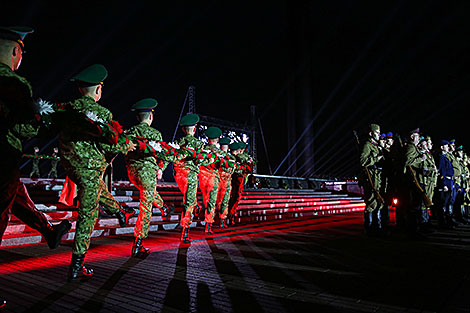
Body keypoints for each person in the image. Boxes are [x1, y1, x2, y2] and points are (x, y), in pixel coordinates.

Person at [0, 26, 72, 307]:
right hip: (3, 156)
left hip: (7, 167)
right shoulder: (13, 83)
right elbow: (25, 127)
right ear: (16, 52)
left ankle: (50, 230)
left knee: (18, 195)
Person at [56, 64, 136, 280]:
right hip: (91, 168)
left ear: (80, 89)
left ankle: (119, 211)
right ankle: (76, 267)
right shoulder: (101, 114)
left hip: (71, 167)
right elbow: (110, 142)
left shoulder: (66, 109)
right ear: (98, 90)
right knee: (87, 216)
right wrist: (123, 146)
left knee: (96, 189)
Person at [125, 98, 174, 257]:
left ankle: (164, 207)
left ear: (138, 117)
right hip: (147, 173)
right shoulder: (155, 134)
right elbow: (165, 154)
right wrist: (160, 168)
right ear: (151, 117)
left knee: (148, 192)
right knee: (145, 207)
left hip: (132, 173)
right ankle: (138, 244)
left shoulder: (130, 131)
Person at [173, 114, 205, 243]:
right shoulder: (198, 144)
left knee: (189, 198)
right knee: (189, 201)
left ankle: (196, 206)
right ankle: (185, 230)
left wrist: (160, 169)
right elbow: (202, 160)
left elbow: (170, 154)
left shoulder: (177, 142)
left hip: (178, 175)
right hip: (191, 175)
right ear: (195, 128)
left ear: (183, 129)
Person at [359, 124, 384, 235]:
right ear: (371, 133)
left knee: (378, 202)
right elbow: (362, 161)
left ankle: (376, 226)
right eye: (377, 132)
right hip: (371, 177)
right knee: (371, 202)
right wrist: (376, 158)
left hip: (378, 177)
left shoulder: (376, 145)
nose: (379, 134)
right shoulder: (367, 145)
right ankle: (369, 227)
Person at [198, 127, 223, 234]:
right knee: (211, 202)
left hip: (202, 178)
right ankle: (208, 225)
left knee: (204, 199)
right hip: (213, 178)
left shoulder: (202, 149)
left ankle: (199, 214)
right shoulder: (220, 152)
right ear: (217, 140)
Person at [228, 142, 254, 225]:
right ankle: (230, 215)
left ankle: (230, 215)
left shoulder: (237, 157)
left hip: (236, 179)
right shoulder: (236, 158)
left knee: (234, 198)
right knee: (234, 198)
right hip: (235, 179)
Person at [216, 137, 236, 227]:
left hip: (220, 180)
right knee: (223, 201)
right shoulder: (228, 157)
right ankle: (222, 220)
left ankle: (219, 219)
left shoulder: (219, 156)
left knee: (218, 201)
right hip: (224, 180)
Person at [437, 140, 455, 228]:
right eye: (446, 146)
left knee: (447, 203)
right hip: (446, 182)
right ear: (442, 147)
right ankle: (442, 222)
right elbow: (442, 171)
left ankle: (447, 220)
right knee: (443, 203)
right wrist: (443, 184)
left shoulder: (445, 157)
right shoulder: (441, 158)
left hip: (449, 181)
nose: (448, 147)